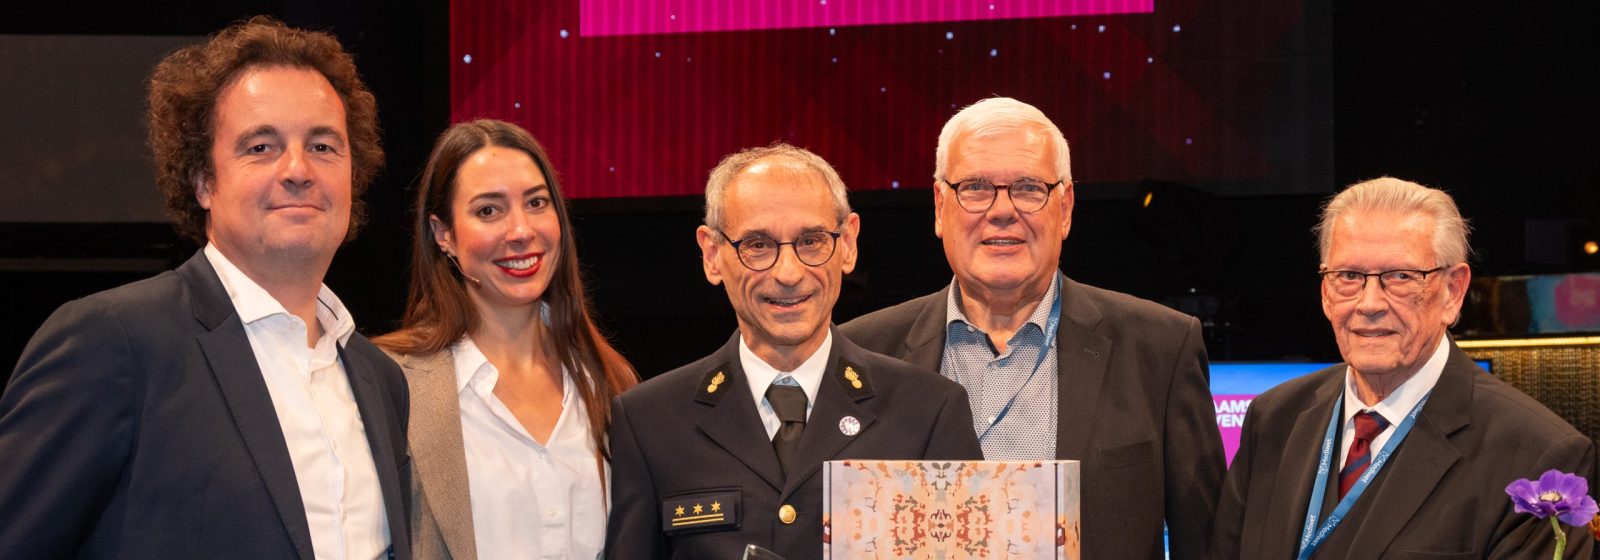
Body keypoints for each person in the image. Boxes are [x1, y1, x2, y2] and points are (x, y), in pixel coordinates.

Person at [0, 17, 410, 559]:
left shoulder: (380, 379)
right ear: (203, 182)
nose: (298, 170)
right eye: (261, 147)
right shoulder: (112, 343)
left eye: (323, 146)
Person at [840, 97, 1224, 559]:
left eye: (1027, 188)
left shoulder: (1161, 347)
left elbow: (1206, 546)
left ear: (1064, 208)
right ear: (940, 207)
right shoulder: (861, 354)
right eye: (976, 188)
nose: (1002, 211)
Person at [605, 144, 984, 559]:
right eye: (758, 245)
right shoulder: (649, 423)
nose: (788, 273)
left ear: (849, 244)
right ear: (712, 255)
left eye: (811, 241)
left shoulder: (928, 410)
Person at [1212, 177, 1597, 558]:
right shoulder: (1274, 418)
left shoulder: (1537, 453)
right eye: (1349, 276)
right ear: (1325, 292)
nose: (1369, 303)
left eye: (1400, 277)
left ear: (1453, 291)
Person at [374, 119, 638, 560]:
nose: (520, 231)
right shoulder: (393, 383)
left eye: (536, 203)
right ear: (444, 236)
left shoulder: (609, 381)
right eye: (488, 211)